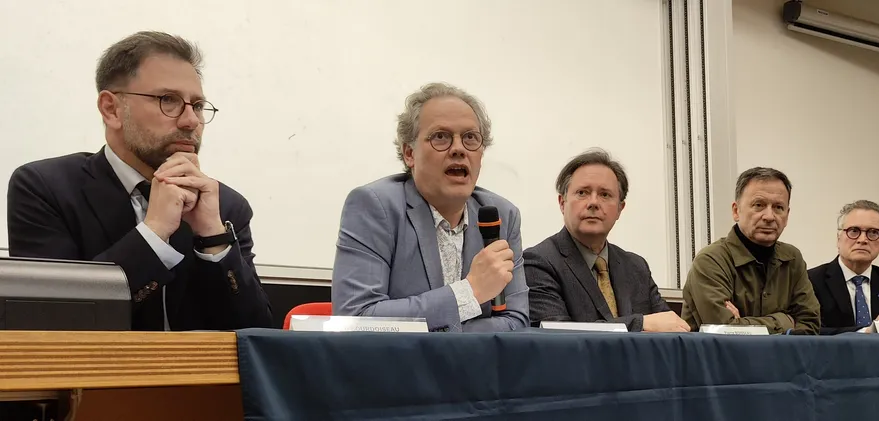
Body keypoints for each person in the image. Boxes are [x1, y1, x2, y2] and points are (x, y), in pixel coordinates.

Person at [6, 31, 273, 331]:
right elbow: (53, 324)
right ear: (111, 109)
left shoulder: (226, 206)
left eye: (197, 105)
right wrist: (153, 232)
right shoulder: (45, 188)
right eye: (168, 100)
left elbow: (259, 340)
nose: (191, 121)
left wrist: (212, 238)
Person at [331, 82, 529, 332]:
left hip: (478, 367)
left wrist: (448, 339)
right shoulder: (374, 206)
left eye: (470, 138)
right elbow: (355, 317)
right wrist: (468, 293)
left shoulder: (502, 215)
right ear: (409, 154)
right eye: (441, 137)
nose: (458, 149)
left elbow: (516, 321)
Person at [524, 149, 688, 332]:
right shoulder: (538, 262)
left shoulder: (637, 267)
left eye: (605, 195)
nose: (593, 202)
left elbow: (671, 326)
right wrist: (640, 324)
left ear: (620, 209)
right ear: (562, 203)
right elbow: (558, 334)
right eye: (582, 193)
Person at [680, 167, 820, 334]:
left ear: (787, 215)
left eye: (778, 207)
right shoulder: (711, 260)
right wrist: (786, 321)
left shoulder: (792, 259)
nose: (769, 216)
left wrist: (742, 324)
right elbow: (723, 330)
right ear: (736, 211)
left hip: (781, 359)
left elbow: (810, 325)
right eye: (759, 205)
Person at [808, 200, 879, 334]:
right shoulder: (811, 281)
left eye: (873, 233)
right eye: (853, 231)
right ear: (838, 239)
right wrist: (869, 331)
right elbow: (810, 332)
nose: (862, 239)